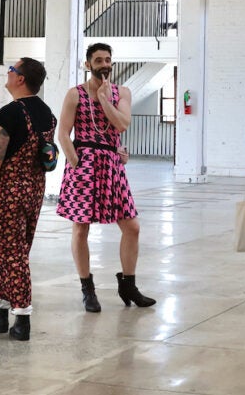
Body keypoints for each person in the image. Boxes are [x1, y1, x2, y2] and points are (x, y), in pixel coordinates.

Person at [55, 42, 155, 311]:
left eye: (107, 59)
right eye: (98, 60)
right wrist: (75, 162)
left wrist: (102, 98)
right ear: (88, 64)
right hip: (84, 163)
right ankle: (87, 289)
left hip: (112, 164)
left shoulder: (122, 92)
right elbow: (63, 133)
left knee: (132, 227)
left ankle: (128, 284)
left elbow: (122, 123)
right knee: (80, 228)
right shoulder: (74, 94)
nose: (104, 64)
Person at [0, 57, 54, 340]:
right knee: (11, 253)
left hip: (7, 195)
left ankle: (22, 317)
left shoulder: (9, 114)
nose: (8, 74)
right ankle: (0, 310)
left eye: (11, 70)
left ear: (20, 79)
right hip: (33, 191)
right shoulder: (46, 112)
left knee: (12, 255)